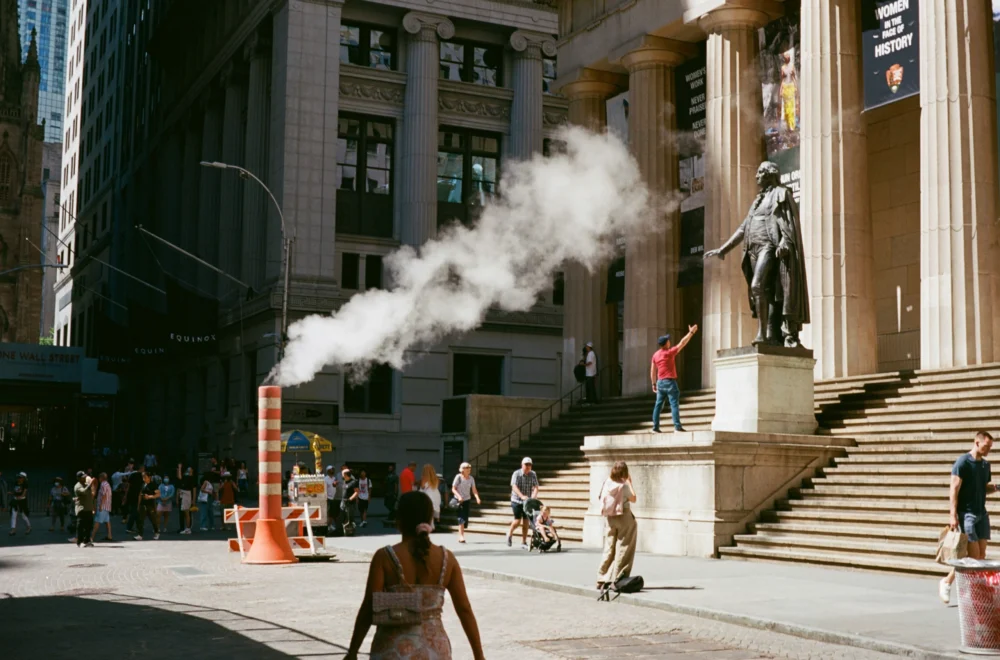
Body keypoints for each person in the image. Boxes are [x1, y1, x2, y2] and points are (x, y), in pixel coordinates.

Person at [345, 491, 485, 660]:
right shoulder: (447, 559)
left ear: (399, 521)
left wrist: (353, 652)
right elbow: (464, 610)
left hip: (392, 650)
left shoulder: (384, 557)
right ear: (430, 520)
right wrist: (479, 656)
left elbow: (368, 607)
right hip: (435, 651)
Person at [940, 431, 997, 604]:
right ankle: (971, 593)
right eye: (986, 446)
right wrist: (953, 515)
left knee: (980, 556)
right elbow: (954, 490)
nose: (988, 450)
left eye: (990, 447)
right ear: (976, 443)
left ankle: (948, 581)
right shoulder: (962, 463)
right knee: (973, 558)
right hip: (967, 514)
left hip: (982, 513)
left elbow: (983, 487)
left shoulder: (985, 465)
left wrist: (996, 487)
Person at [596, 460, 638, 591]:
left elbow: (600, 497)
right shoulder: (624, 486)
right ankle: (619, 577)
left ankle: (602, 577)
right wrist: (629, 483)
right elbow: (634, 498)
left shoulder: (607, 483)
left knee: (609, 547)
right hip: (624, 517)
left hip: (610, 518)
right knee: (624, 548)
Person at [650, 326, 698, 433]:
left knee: (658, 405)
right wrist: (691, 332)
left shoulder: (655, 355)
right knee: (674, 404)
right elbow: (682, 343)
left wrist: (653, 384)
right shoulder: (670, 352)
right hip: (670, 382)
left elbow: (653, 371)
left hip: (660, 383)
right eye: (668, 340)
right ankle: (677, 426)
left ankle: (655, 427)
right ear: (666, 343)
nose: (670, 341)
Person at [506, 457, 539, 550]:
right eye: (526, 465)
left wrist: (534, 496)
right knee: (517, 520)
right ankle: (510, 533)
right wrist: (521, 496)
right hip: (516, 500)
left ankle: (523, 541)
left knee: (526, 521)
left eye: (530, 465)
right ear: (522, 465)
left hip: (527, 502)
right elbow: (514, 486)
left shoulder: (533, 474)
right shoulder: (517, 473)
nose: (528, 467)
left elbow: (536, 486)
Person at [451, 463, 480, 544]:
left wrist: (477, 498)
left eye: (469, 468)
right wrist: (459, 496)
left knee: (465, 518)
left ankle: (461, 534)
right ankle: (461, 536)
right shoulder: (458, 477)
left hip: (467, 500)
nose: (469, 469)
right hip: (459, 500)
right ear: (462, 469)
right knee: (461, 517)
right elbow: (453, 489)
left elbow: (474, 489)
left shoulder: (471, 478)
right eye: (467, 468)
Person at [72, 471, 97, 548]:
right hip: (82, 509)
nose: (84, 478)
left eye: (85, 476)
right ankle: (80, 542)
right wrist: (90, 484)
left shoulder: (86, 484)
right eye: (83, 477)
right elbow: (84, 492)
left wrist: (93, 485)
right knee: (81, 526)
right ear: (78, 478)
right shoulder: (77, 486)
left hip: (88, 508)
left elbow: (92, 495)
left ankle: (87, 541)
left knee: (89, 526)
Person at [135, 471, 160, 540]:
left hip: (150, 505)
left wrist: (149, 497)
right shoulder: (143, 485)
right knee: (140, 520)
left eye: (145, 477)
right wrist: (138, 505)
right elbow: (140, 495)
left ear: (149, 477)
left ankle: (156, 532)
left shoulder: (153, 485)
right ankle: (140, 535)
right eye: (143, 477)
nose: (144, 478)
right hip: (142, 505)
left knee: (153, 520)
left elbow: (158, 494)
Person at [93, 472, 114, 542]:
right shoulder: (107, 484)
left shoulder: (103, 484)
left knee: (97, 521)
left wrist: (101, 505)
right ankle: (109, 535)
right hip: (107, 506)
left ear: (101, 478)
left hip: (103, 506)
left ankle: (91, 537)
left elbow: (104, 495)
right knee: (107, 521)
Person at [125, 464, 145, 533]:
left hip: (131, 495)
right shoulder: (141, 476)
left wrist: (125, 495)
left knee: (135, 510)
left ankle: (136, 526)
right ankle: (129, 527)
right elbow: (142, 486)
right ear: (141, 468)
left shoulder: (132, 475)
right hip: (137, 495)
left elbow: (128, 485)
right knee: (135, 511)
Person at [177, 465, 196, 534]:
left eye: (190, 469)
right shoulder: (186, 477)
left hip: (187, 494)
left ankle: (188, 529)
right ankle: (187, 528)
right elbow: (180, 477)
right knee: (185, 512)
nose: (188, 469)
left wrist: (193, 500)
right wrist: (179, 468)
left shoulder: (191, 478)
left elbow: (194, 489)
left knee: (187, 512)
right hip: (184, 494)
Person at [324, 465, 341, 534]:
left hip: (335, 498)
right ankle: (328, 526)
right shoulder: (325, 479)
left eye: (333, 469)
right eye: (331, 469)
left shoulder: (335, 478)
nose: (332, 470)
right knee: (329, 513)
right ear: (328, 471)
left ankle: (333, 526)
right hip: (328, 498)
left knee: (334, 513)